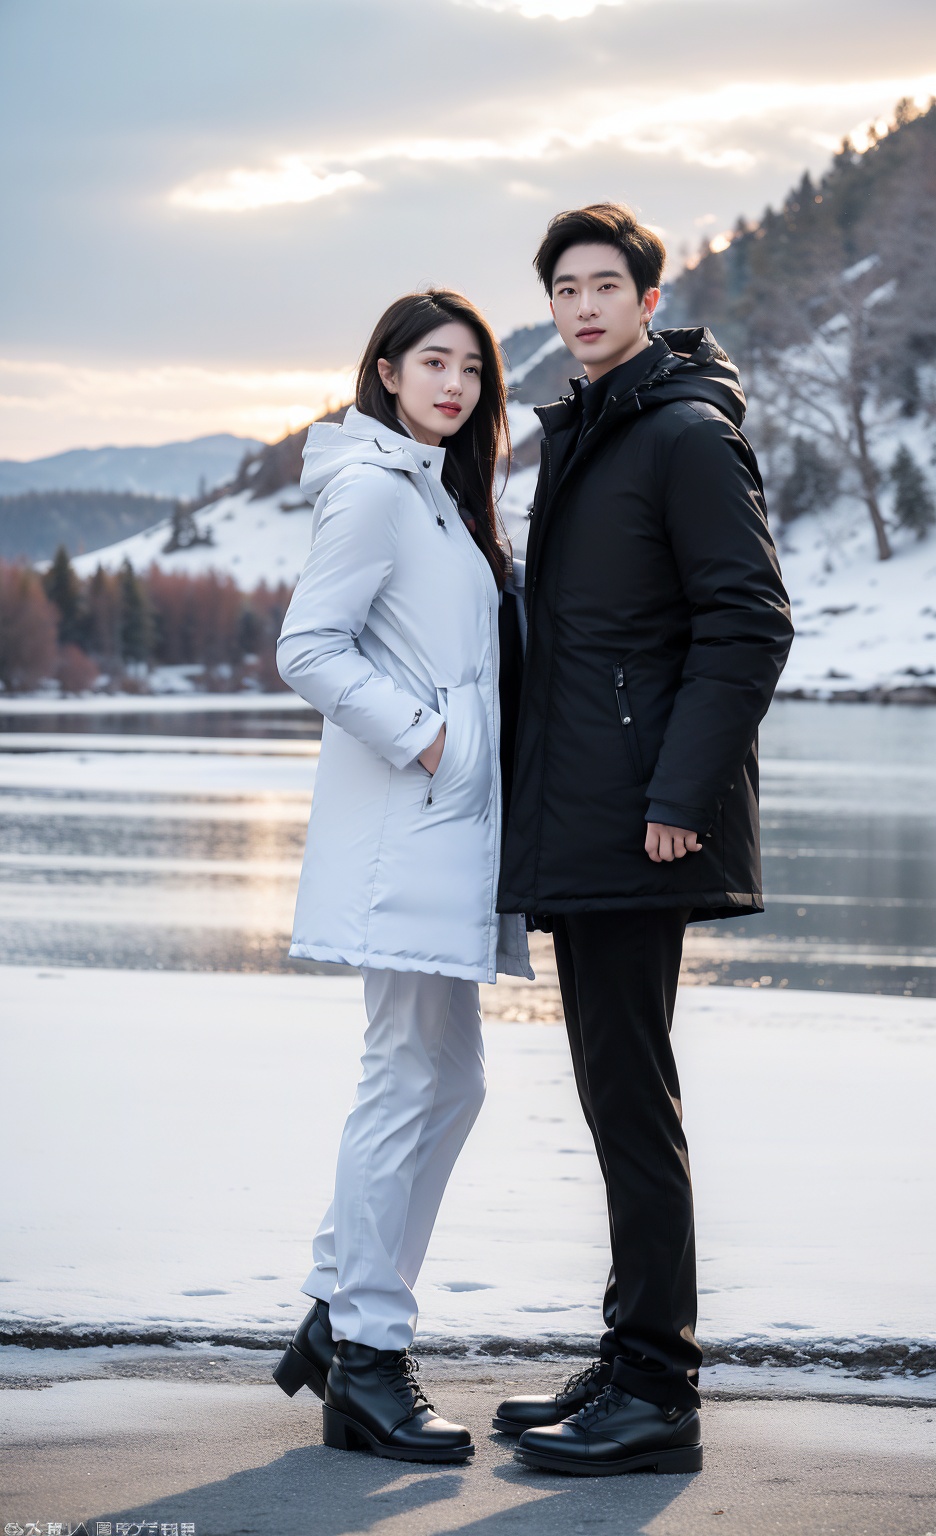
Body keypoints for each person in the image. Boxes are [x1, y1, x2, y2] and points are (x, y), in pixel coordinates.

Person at [493, 204, 793, 1476]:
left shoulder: (679, 434)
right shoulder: (591, 430)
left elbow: (749, 623)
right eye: (563, 288)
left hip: (638, 827)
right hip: (590, 813)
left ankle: (658, 1390)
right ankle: (629, 1357)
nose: (581, 305)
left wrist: (675, 797)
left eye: (604, 284)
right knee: (617, 1094)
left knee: (631, 1099)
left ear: (648, 300)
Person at [273, 289, 531, 1465]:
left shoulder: (440, 496)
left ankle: (338, 1308)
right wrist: (427, 737)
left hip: (450, 831)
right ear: (383, 371)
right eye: (434, 363)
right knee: (404, 1079)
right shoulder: (377, 491)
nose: (456, 386)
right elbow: (308, 647)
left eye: (473, 369)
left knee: (450, 1083)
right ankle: (368, 1360)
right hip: (408, 827)